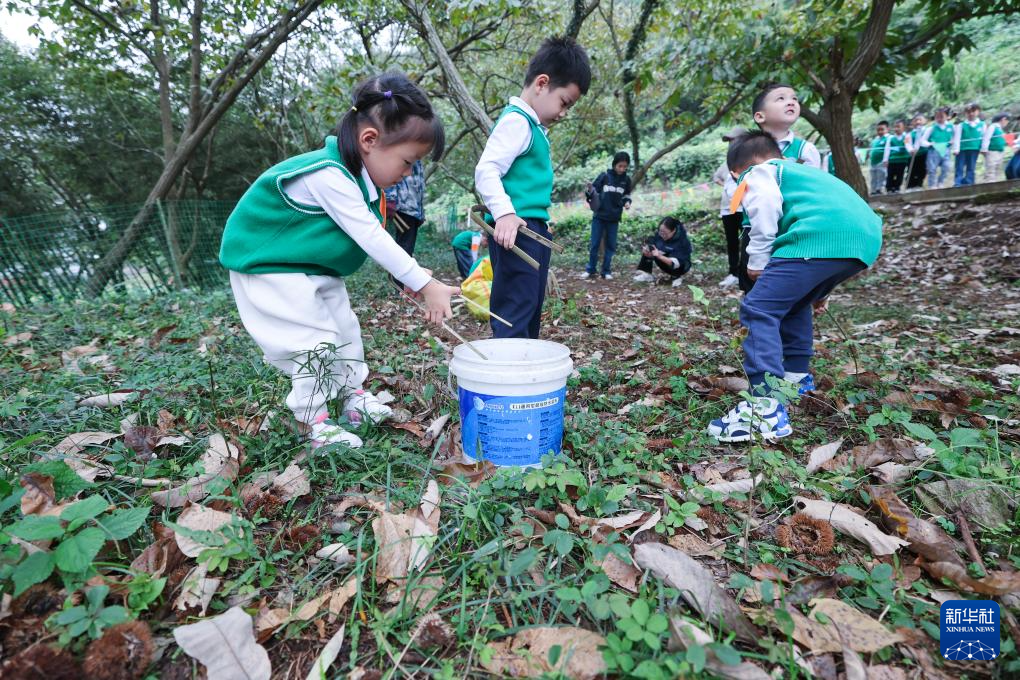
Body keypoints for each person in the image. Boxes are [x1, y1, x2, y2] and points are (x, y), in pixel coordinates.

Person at [219, 73, 459, 450]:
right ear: (369, 141)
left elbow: (372, 240)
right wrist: (424, 284)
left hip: (311, 266)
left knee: (345, 328)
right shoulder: (329, 174)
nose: (409, 171)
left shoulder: (362, 182)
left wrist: (410, 274)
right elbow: (371, 236)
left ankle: (353, 398)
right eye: (409, 161)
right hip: (270, 266)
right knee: (315, 341)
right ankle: (311, 422)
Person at [707, 131, 881, 442]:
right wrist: (821, 291)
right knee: (795, 302)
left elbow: (765, 205)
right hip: (862, 238)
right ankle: (796, 378)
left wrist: (757, 260)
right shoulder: (804, 173)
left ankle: (764, 407)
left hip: (815, 236)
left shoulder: (758, 172)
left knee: (759, 306)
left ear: (736, 173)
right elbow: (831, 216)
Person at [474, 36, 591, 339]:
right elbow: (486, 170)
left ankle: (525, 368)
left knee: (530, 304)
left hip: (532, 229)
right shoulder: (518, 122)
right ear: (542, 83)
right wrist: (505, 214)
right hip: (516, 232)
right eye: (564, 102)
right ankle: (506, 373)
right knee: (515, 307)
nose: (564, 112)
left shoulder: (533, 127)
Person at [582, 151, 632, 280]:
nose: (622, 169)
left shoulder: (626, 180)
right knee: (594, 244)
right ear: (615, 164)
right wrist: (588, 193)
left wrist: (627, 203)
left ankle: (606, 271)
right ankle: (590, 270)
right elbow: (593, 191)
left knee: (610, 245)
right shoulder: (604, 176)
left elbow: (627, 195)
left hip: (614, 218)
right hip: (599, 216)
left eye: (625, 167)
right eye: (620, 166)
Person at [751, 83, 822, 168]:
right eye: (781, 98)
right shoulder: (745, 149)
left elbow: (813, 180)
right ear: (760, 116)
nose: (791, 102)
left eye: (794, 99)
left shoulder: (806, 150)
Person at [712, 127, 748, 289]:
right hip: (728, 209)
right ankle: (733, 273)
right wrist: (728, 188)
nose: (731, 144)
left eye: (733, 140)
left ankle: (747, 273)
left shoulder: (750, 160)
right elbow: (716, 177)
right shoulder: (726, 162)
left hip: (745, 209)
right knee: (731, 242)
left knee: (748, 241)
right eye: (729, 141)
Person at [632, 217, 692, 287]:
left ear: (673, 231)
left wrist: (659, 256)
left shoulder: (682, 241)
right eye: (660, 232)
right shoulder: (660, 234)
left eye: (665, 233)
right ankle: (646, 273)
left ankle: (676, 277)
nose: (662, 235)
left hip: (680, 265)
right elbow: (654, 243)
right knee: (650, 249)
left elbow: (676, 263)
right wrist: (648, 251)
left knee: (669, 258)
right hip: (664, 257)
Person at [919, 107, 954, 189]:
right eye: (937, 116)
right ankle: (932, 185)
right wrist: (929, 144)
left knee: (946, 167)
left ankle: (940, 182)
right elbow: (922, 141)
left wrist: (952, 143)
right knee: (932, 169)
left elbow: (954, 138)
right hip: (933, 151)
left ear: (947, 117)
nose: (939, 118)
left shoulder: (951, 127)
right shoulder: (931, 128)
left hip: (946, 150)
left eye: (941, 116)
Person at [952, 102, 985, 187]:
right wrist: (956, 149)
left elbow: (984, 137)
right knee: (959, 166)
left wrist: (983, 148)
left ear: (978, 112)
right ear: (965, 113)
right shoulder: (961, 125)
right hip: (962, 149)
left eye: (973, 111)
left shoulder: (982, 124)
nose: (971, 114)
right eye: (968, 112)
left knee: (971, 166)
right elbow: (957, 137)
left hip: (974, 148)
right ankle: (958, 182)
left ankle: (969, 182)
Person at [883, 119, 912, 194]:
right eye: (895, 127)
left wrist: (911, 150)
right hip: (892, 160)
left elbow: (908, 145)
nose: (896, 129)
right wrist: (885, 160)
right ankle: (889, 188)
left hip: (902, 160)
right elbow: (887, 149)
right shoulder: (890, 138)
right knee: (890, 174)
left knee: (900, 174)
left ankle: (897, 188)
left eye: (898, 127)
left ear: (903, 127)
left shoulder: (906, 136)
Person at [981, 113, 1010, 182]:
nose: (1007, 123)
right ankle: (989, 184)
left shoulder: (999, 129)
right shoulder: (993, 127)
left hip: (1000, 151)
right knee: (991, 168)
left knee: (997, 168)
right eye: (1007, 121)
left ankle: (995, 183)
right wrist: (984, 149)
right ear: (1003, 119)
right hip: (992, 151)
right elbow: (986, 138)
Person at [906, 114, 928, 189]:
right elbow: (906, 143)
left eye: (920, 120)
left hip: (924, 154)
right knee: (911, 170)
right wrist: (910, 149)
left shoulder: (927, 131)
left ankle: (919, 184)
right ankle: (910, 186)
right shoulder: (909, 134)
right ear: (912, 122)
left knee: (922, 170)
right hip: (913, 155)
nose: (918, 122)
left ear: (925, 121)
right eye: (916, 120)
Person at [868, 120, 890, 194]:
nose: (880, 131)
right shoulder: (875, 140)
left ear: (887, 129)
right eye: (878, 130)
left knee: (881, 176)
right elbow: (871, 149)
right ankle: (873, 190)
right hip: (873, 161)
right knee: (873, 177)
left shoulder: (888, 138)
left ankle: (879, 189)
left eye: (882, 129)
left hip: (882, 161)